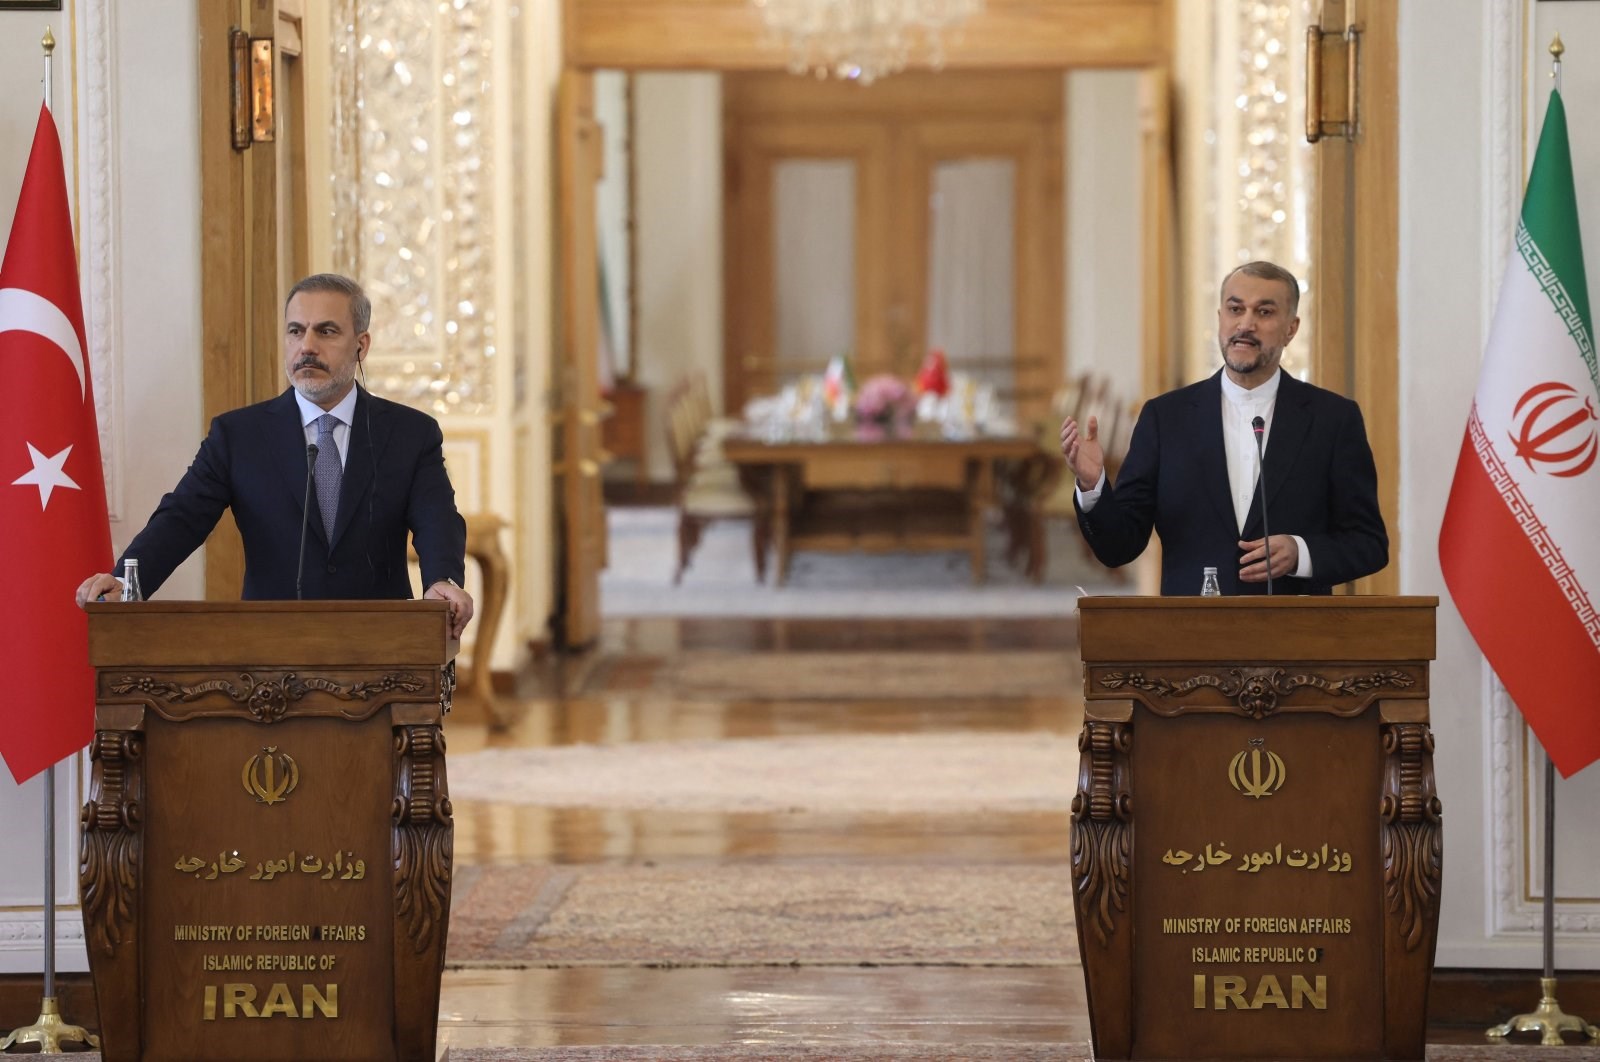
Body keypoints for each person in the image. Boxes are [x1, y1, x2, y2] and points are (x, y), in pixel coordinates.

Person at [75, 273, 474, 636]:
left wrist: (442, 580)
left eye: (327, 332)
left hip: (380, 645)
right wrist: (129, 582)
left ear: (361, 345)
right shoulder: (239, 436)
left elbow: (437, 518)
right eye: (296, 331)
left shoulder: (409, 433)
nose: (307, 347)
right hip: (269, 652)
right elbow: (182, 518)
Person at [1058, 260, 1387, 596]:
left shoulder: (1332, 419)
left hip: (1295, 638)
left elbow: (1369, 544)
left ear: (1291, 328)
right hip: (1193, 636)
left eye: (1264, 312)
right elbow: (1119, 548)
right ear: (1220, 319)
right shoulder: (1166, 418)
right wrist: (1093, 485)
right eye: (1235, 309)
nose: (1245, 324)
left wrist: (1301, 553)